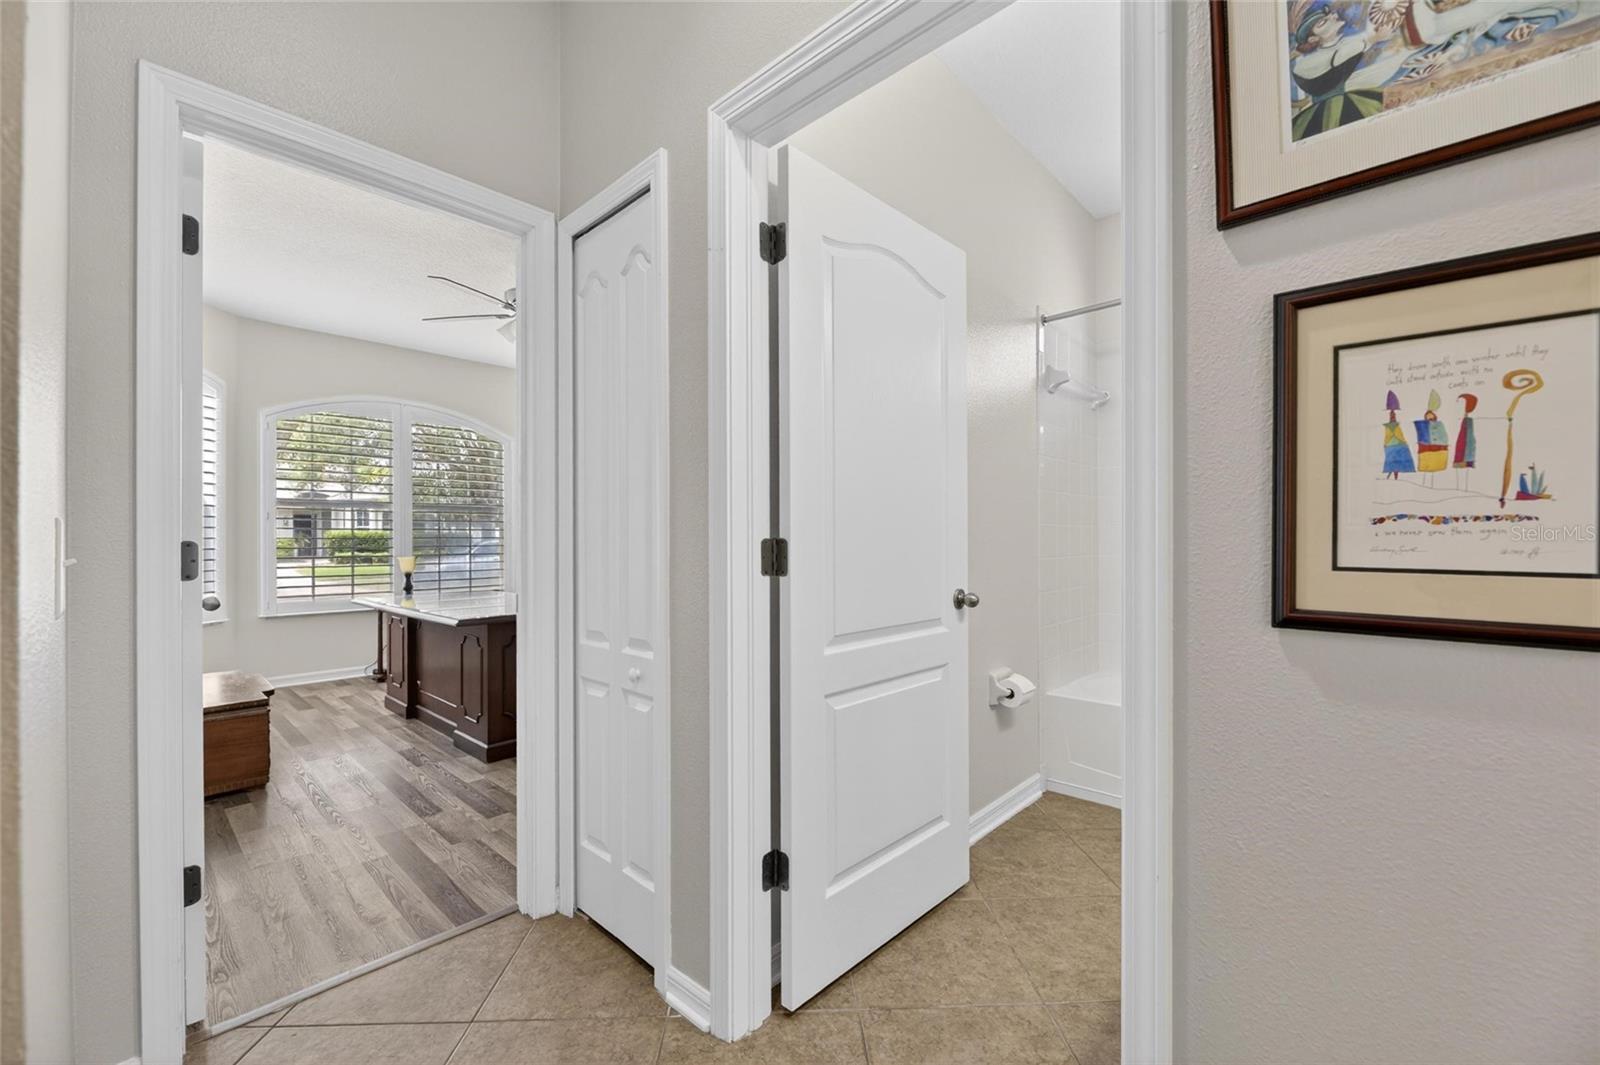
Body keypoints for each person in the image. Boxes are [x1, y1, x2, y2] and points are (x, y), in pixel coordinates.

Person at [1382, 390, 1416, 478]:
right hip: (1391, 446)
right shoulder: (1389, 427)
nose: (1392, 417)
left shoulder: (1396, 426)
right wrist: (1386, 444)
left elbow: (1399, 435)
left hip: (1398, 445)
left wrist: (1403, 442)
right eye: (1391, 415)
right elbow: (1387, 437)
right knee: (1392, 461)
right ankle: (1392, 474)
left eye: (1393, 416)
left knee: (1396, 461)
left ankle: (1394, 475)